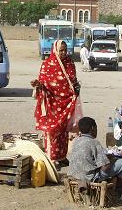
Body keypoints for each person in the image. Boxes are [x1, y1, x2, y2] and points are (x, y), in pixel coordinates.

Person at [30, 40, 80, 170]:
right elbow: (43, 83)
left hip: (66, 102)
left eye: (65, 50)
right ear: (55, 50)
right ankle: (51, 157)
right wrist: (37, 85)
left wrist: (75, 89)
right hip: (51, 104)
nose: (63, 53)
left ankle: (61, 157)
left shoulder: (70, 63)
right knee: (52, 131)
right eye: (61, 50)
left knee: (63, 131)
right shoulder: (47, 64)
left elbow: (73, 81)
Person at [68, 117, 122, 182]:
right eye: (96, 128)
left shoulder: (76, 140)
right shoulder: (94, 142)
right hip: (91, 177)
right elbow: (105, 166)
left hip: (75, 174)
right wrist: (110, 161)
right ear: (93, 128)